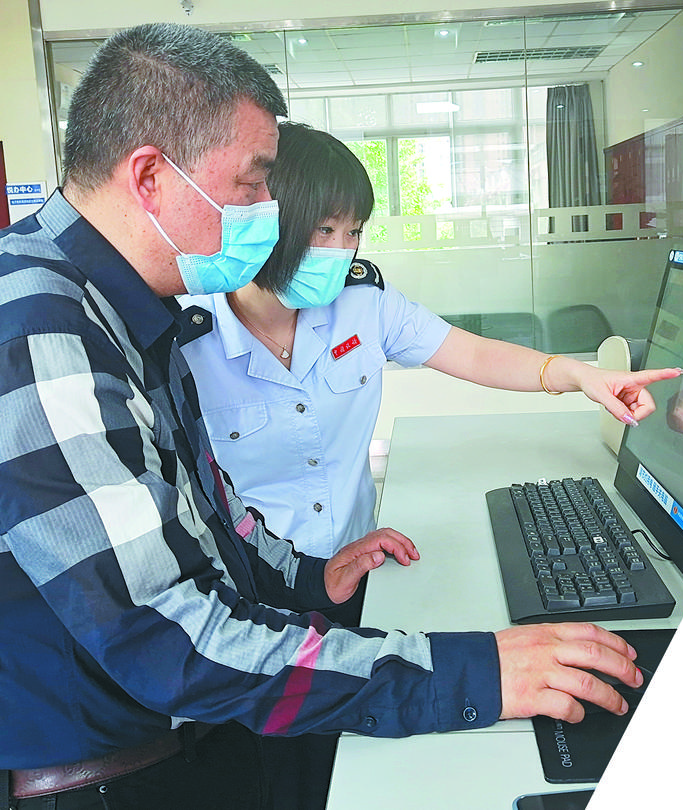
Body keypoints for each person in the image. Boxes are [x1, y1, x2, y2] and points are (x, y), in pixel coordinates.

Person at [0, 23, 644, 810]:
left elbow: (204, 512)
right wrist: (470, 673)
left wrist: (307, 576)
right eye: (252, 184)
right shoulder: (43, 330)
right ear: (150, 176)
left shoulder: (121, 306)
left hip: (209, 705)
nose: (267, 212)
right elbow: (167, 637)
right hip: (120, 768)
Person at [179, 121, 683, 560]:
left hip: (355, 563)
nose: (341, 251)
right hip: (249, 582)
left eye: (353, 232)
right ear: (269, 217)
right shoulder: (185, 338)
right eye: (325, 229)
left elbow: (474, 354)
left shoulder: (363, 304)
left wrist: (581, 375)